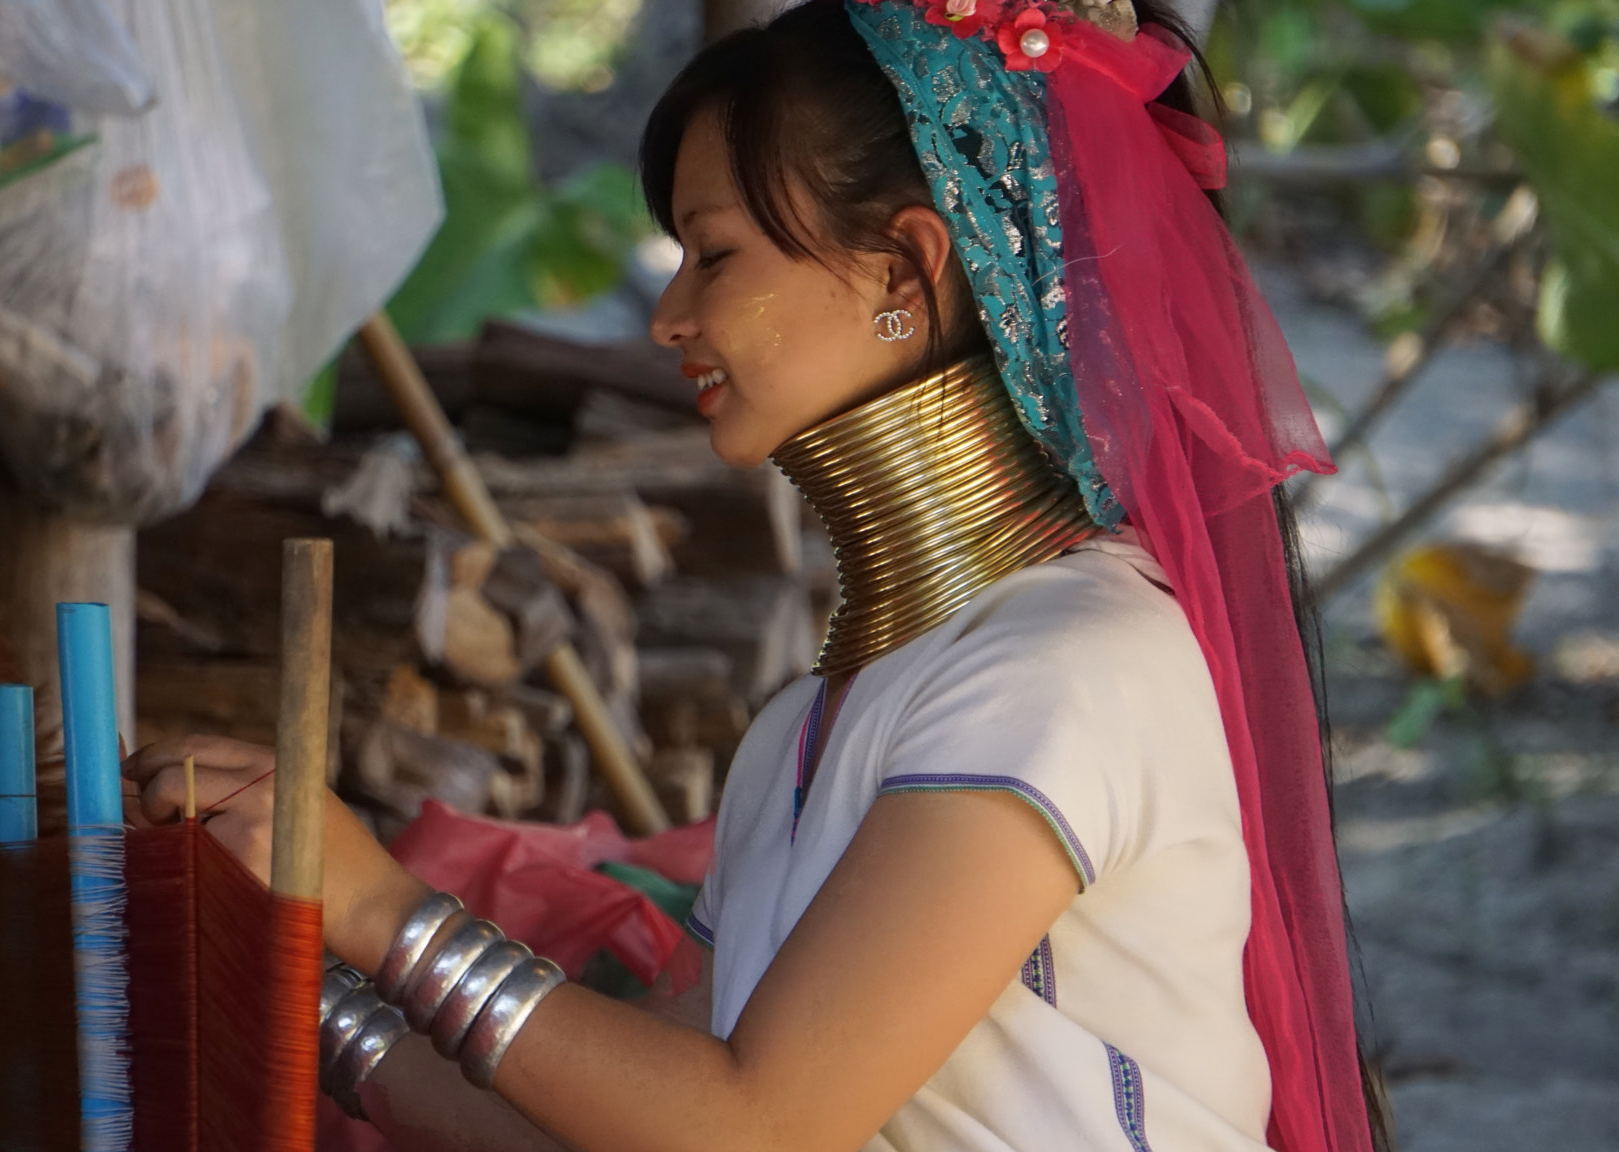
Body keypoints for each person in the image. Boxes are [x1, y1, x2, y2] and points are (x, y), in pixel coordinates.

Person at [124, 2, 1389, 1150]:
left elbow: (751, 1125)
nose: (670, 317)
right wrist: (309, 982)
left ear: (903, 271)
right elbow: (630, 1125)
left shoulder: (1070, 667)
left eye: (712, 256)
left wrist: (379, 905)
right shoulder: (809, 725)